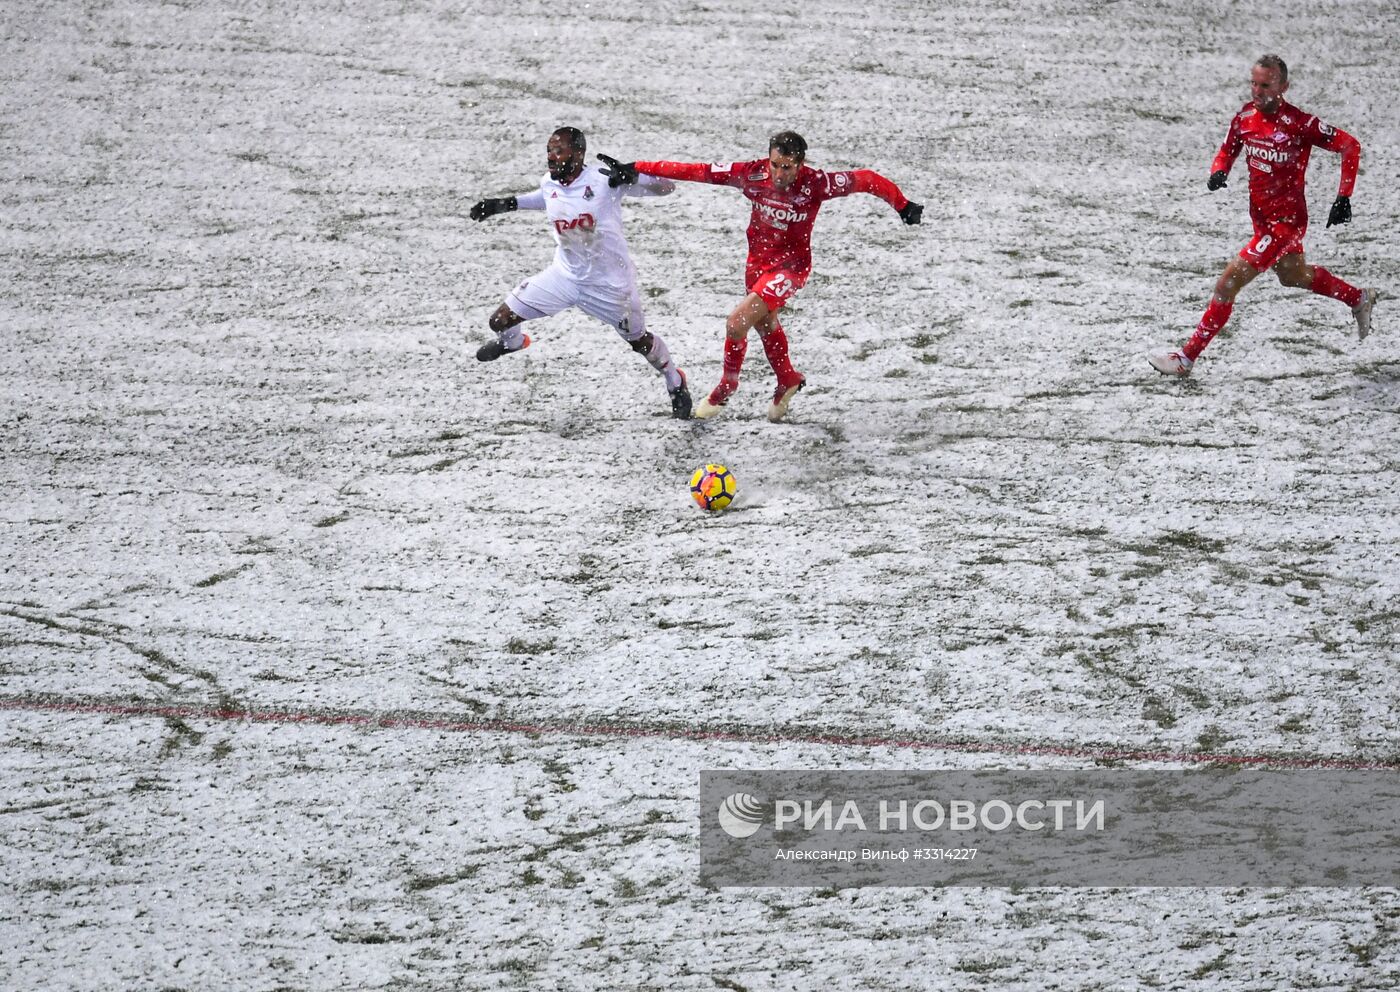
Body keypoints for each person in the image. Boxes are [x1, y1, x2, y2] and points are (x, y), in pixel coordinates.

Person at [597, 131, 922, 420]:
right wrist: (637, 167)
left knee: (736, 323)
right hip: (756, 266)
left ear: (800, 164)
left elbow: (865, 179)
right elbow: (697, 171)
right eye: (775, 165)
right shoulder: (750, 174)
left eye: (787, 167)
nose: (780, 174)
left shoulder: (817, 183)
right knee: (765, 323)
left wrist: (902, 204)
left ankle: (726, 387)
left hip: (790, 270)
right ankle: (788, 379)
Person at [1149, 55, 1379, 377]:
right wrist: (1219, 170)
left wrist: (1344, 196)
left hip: (1286, 224)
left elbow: (1349, 146)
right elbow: (1228, 149)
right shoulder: (1244, 117)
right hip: (1262, 220)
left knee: (1227, 284)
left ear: (1284, 86)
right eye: (1254, 83)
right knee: (1292, 275)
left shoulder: (1300, 123)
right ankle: (1358, 297)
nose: (1258, 91)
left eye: (1266, 85)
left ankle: (1185, 359)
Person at [469, 126, 693, 419]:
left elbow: (666, 188)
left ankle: (675, 381)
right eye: (549, 150)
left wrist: (633, 175)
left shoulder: (604, 180)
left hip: (610, 286)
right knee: (499, 320)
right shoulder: (550, 181)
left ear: (578, 153)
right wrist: (504, 204)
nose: (551, 157)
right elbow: (545, 196)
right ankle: (513, 343)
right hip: (564, 277)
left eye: (558, 150)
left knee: (640, 342)